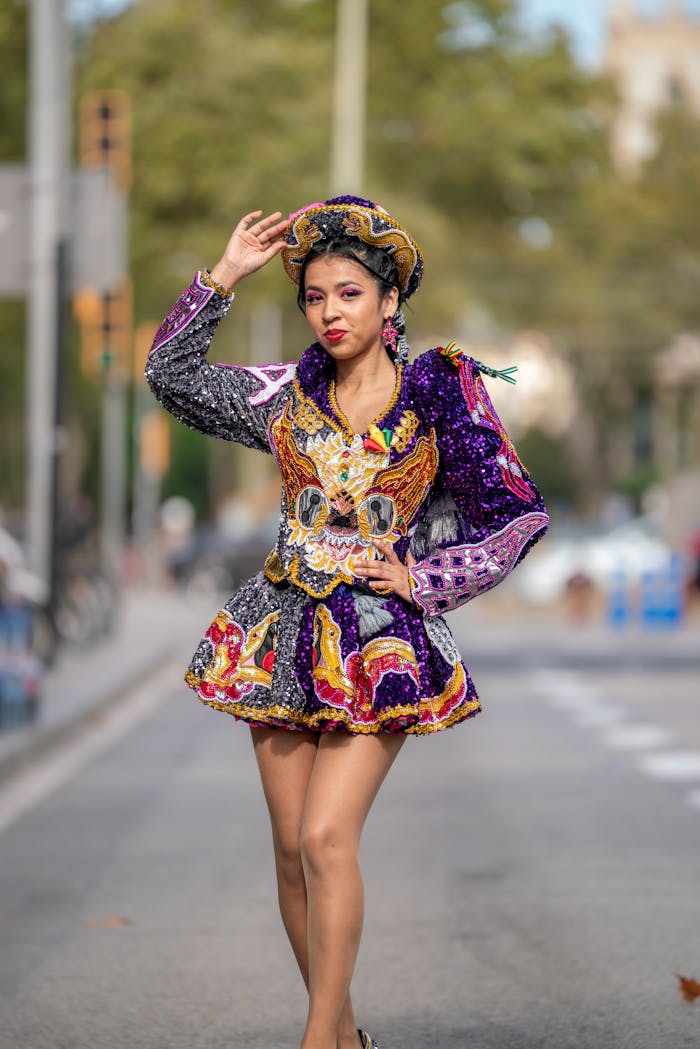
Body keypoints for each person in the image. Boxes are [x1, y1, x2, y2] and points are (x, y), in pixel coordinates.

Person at [145, 196, 549, 1049]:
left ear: (390, 301)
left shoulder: (442, 387)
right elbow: (170, 378)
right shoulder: (285, 391)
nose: (331, 311)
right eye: (317, 297)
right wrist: (221, 278)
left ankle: (316, 1040)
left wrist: (426, 574)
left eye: (350, 294)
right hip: (277, 634)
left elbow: (517, 512)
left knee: (329, 837)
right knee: (292, 850)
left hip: (382, 641)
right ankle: (348, 1034)